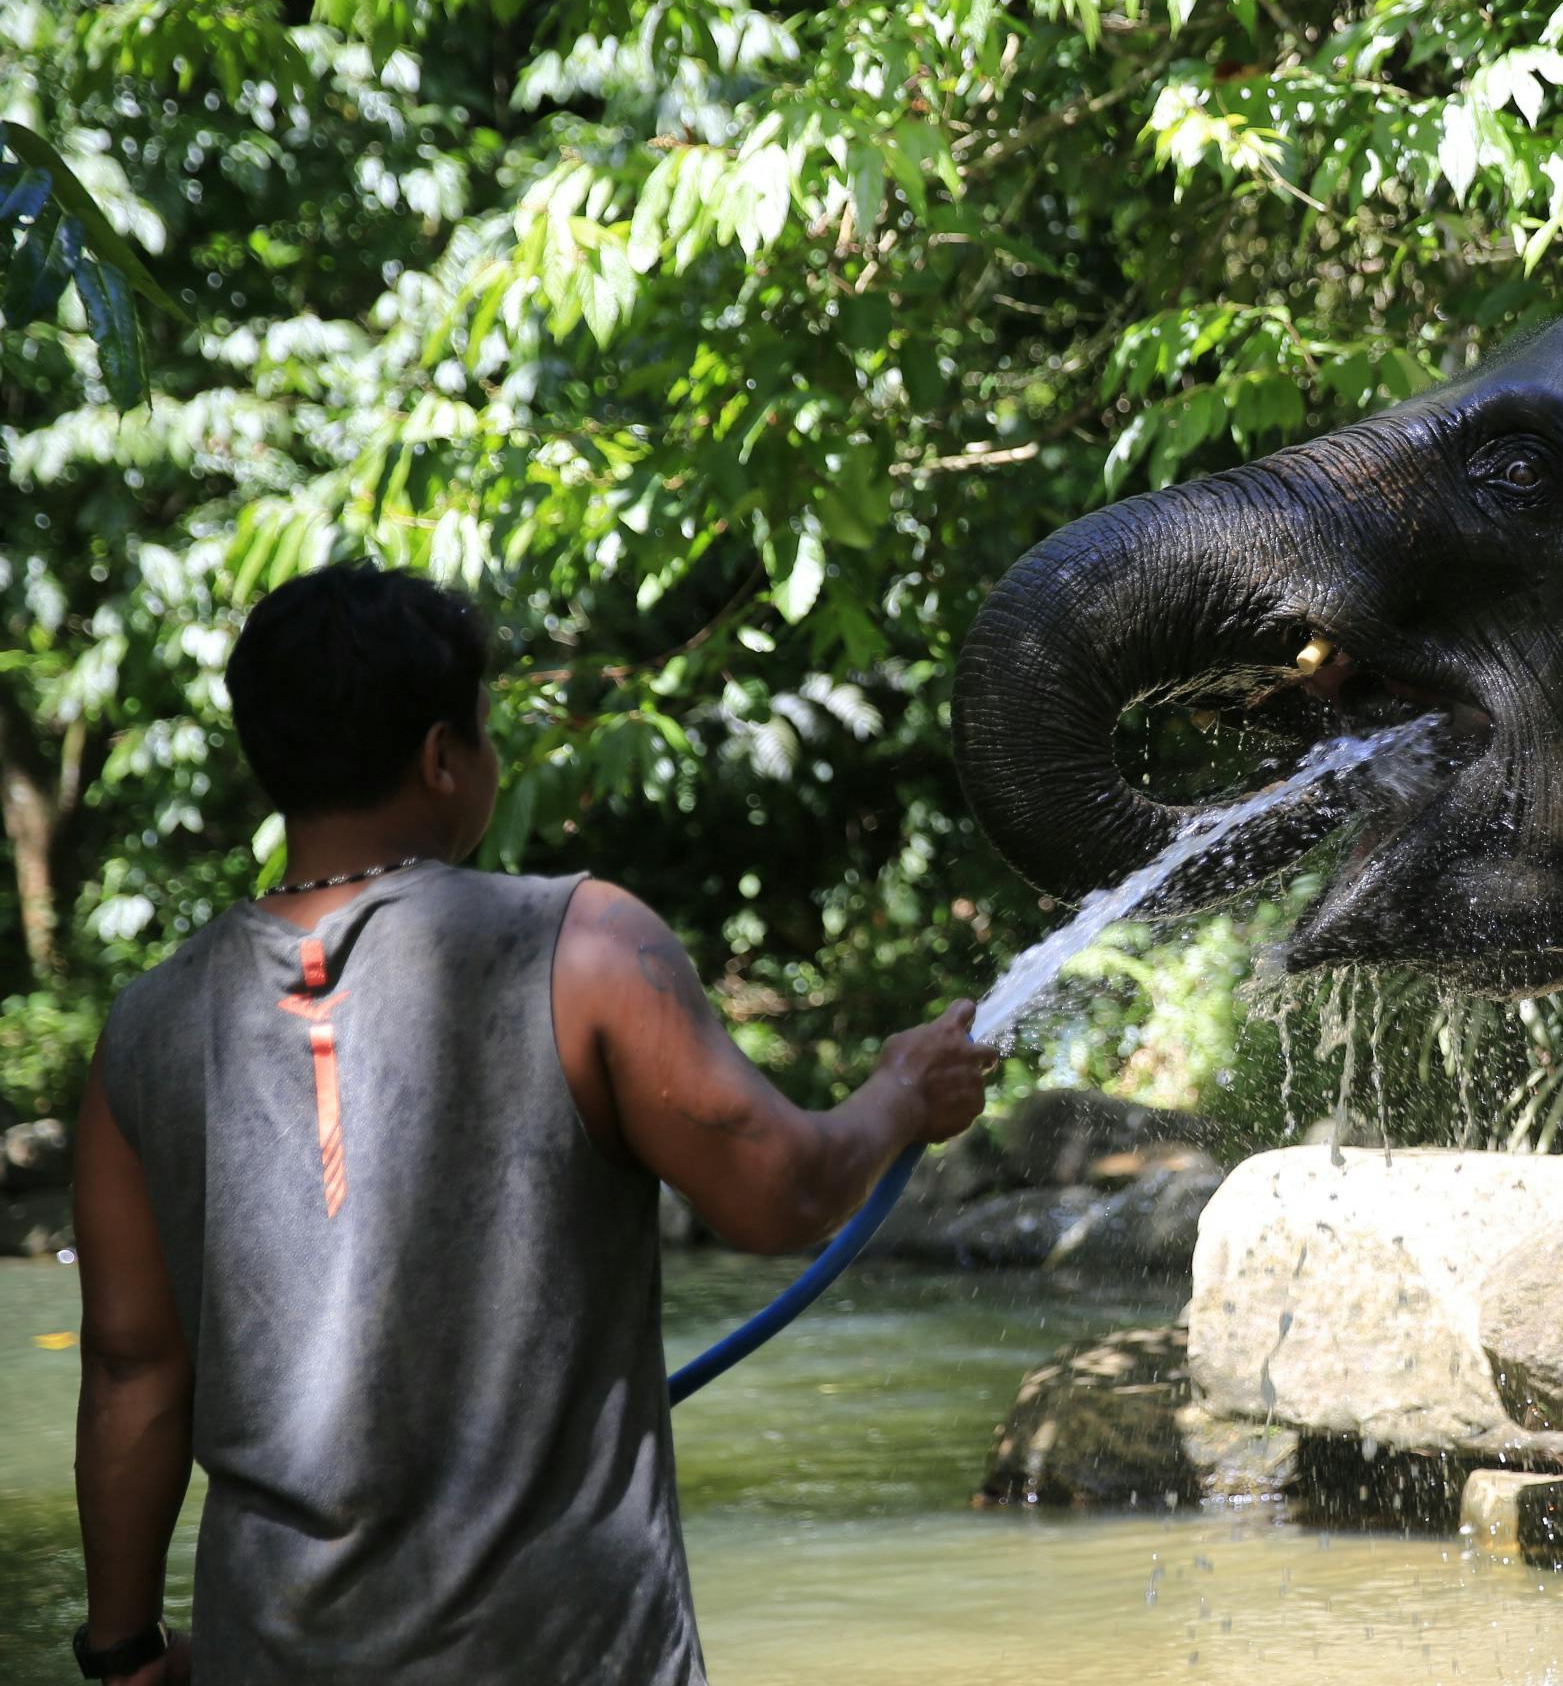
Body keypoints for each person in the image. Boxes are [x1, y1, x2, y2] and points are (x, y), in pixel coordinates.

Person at [68, 563, 997, 1685]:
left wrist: (120, 1651)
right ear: (442, 757)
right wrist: (904, 1092)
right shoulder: (583, 945)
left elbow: (132, 1372)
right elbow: (783, 1194)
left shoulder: (148, 1026)